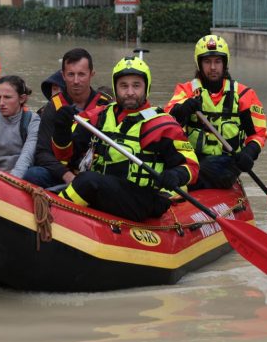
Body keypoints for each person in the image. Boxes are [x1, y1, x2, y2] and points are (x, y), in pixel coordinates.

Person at [54, 56, 200, 221]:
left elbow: (192, 166)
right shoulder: (96, 117)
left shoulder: (164, 125)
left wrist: (175, 175)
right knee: (66, 181)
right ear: (116, 88)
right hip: (107, 191)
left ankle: (54, 217)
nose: (130, 92)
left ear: (146, 87)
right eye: (124, 86)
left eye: (136, 85)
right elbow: (64, 158)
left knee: (88, 182)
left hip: (143, 199)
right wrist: (61, 130)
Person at [164, 35, 267, 190]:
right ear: (199, 64)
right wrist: (184, 108)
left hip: (227, 162)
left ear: (225, 63)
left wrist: (248, 153)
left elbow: (258, 134)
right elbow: (168, 121)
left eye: (217, 61)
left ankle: (183, 185)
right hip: (193, 159)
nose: (213, 67)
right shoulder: (186, 91)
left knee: (206, 168)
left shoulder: (244, 94)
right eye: (207, 61)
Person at [23, 48, 110, 188]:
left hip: (94, 174)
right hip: (63, 174)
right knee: (33, 175)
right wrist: (67, 175)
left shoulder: (106, 105)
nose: (76, 81)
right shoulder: (53, 106)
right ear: (63, 76)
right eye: (71, 74)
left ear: (91, 74)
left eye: (81, 74)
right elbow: (42, 153)